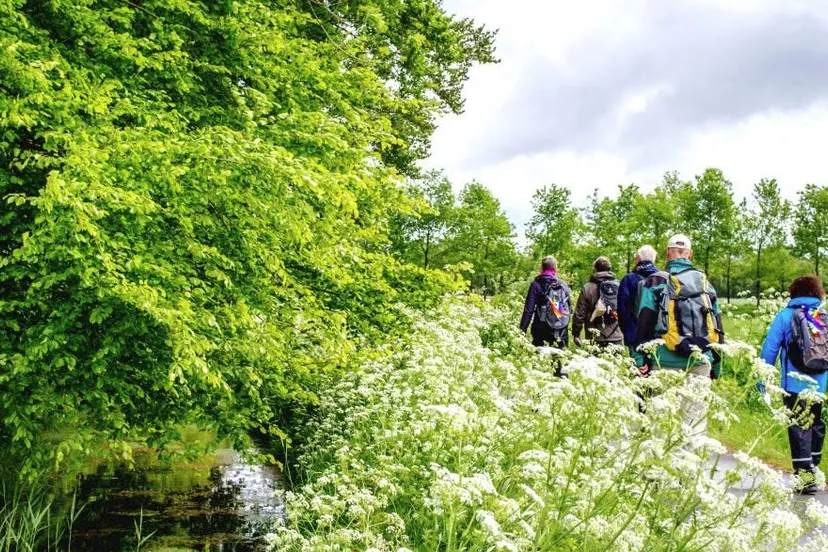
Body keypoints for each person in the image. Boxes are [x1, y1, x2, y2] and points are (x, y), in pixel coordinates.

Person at [633, 234, 724, 433]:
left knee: (661, 426)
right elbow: (717, 326)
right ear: (690, 254)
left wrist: (640, 360)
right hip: (700, 361)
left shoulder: (655, 281)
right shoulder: (705, 284)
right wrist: (716, 366)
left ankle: (660, 463)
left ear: (667, 253)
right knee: (693, 425)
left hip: (664, 361)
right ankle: (688, 463)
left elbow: (644, 323)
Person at [760, 275, 828, 495]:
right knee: (815, 422)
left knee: (798, 426)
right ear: (817, 292)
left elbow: (770, 349)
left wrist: (763, 380)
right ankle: (812, 467)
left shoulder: (785, 316)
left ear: (793, 292)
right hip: (819, 385)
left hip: (793, 385)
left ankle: (805, 478)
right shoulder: (822, 316)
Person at [519, 256, 572, 348]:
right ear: (555, 268)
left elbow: (529, 309)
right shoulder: (562, 284)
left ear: (542, 267)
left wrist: (522, 330)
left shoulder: (536, 284)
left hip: (540, 328)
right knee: (558, 359)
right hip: (559, 328)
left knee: (539, 357)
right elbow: (568, 307)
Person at [572, 256, 623, 347]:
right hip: (616, 336)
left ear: (595, 269)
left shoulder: (588, 288)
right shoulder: (619, 286)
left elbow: (579, 314)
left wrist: (576, 334)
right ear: (609, 269)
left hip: (595, 337)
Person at [618, 245, 659, 350]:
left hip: (634, 334)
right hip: (657, 336)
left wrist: (627, 332)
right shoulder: (662, 278)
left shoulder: (628, 279)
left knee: (637, 365)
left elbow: (622, 310)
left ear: (639, 259)